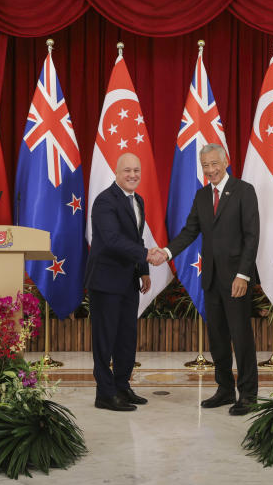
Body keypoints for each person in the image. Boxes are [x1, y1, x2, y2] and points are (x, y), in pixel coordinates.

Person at [151, 143, 260, 415]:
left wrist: (243, 275)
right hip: (210, 279)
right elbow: (189, 231)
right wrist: (166, 253)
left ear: (226, 161)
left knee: (241, 337)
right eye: (205, 166)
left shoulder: (245, 191)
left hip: (237, 279)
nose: (210, 170)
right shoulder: (201, 196)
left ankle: (248, 394)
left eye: (214, 164)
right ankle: (224, 390)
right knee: (218, 338)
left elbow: (252, 237)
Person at [84, 152, 156, 411]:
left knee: (126, 337)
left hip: (128, 280)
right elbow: (112, 240)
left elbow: (137, 239)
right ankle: (104, 393)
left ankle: (122, 387)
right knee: (105, 339)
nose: (133, 175)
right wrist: (146, 254)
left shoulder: (138, 200)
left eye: (136, 170)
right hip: (105, 281)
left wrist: (144, 269)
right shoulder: (105, 201)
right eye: (127, 170)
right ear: (116, 172)